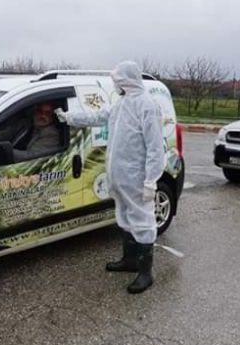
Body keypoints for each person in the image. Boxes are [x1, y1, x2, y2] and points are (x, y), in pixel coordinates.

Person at [55, 61, 165, 294]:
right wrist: (68, 117)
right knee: (124, 216)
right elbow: (97, 116)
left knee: (143, 220)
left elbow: (155, 148)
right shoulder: (122, 104)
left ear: (127, 80)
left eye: (117, 80)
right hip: (120, 176)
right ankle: (130, 260)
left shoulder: (147, 105)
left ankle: (146, 272)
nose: (115, 84)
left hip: (137, 178)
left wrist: (150, 181)